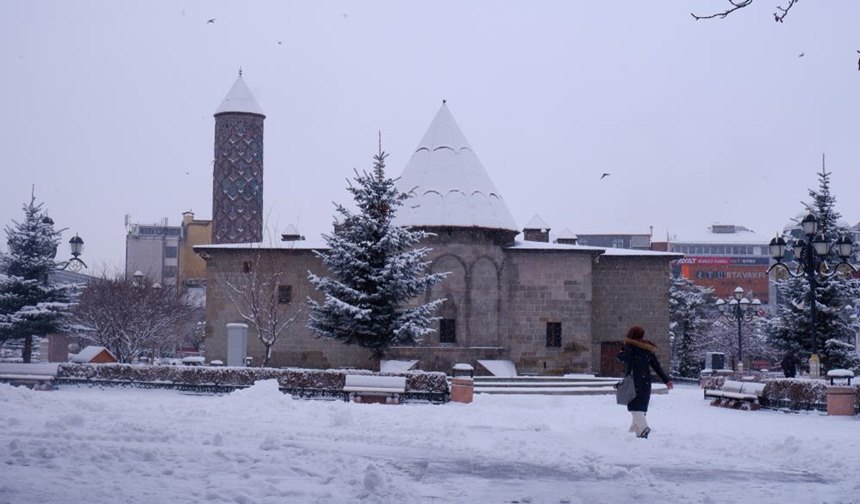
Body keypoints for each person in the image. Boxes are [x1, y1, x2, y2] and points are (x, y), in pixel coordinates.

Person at [617, 325, 673, 439]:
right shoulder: (648, 349)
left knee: (634, 405)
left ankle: (643, 428)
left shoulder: (630, 346)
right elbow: (657, 367)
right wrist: (666, 381)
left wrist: (621, 352)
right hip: (646, 380)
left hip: (633, 380)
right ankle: (636, 431)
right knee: (640, 405)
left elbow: (624, 358)